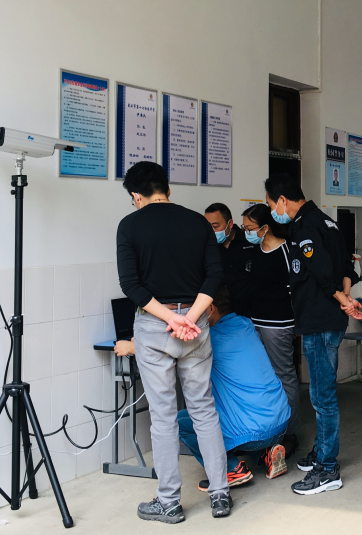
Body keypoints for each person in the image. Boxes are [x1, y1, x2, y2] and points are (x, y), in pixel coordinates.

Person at [116, 161, 232, 523]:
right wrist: (190, 317)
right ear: (167, 189)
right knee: (204, 409)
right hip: (195, 326)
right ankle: (220, 494)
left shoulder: (129, 225)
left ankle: (168, 502)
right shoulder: (198, 222)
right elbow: (215, 274)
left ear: (136, 195)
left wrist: (170, 319)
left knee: (163, 417)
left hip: (155, 327)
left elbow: (131, 285)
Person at [264, 173, 362, 496]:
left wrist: (341, 300)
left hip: (320, 321)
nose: (273, 212)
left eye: (271, 205)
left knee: (322, 397)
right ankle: (321, 451)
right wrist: (345, 297)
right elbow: (347, 267)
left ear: (283, 200)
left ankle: (328, 468)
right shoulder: (327, 222)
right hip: (328, 318)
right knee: (323, 394)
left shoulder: (305, 227)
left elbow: (322, 271)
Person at [176, 286, 291, 489]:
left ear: (209, 308)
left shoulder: (209, 338)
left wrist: (134, 346)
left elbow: (173, 350)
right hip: (281, 422)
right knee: (238, 409)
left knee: (182, 421)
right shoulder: (246, 325)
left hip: (254, 431)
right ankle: (266, 454)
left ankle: (230, 469)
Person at [239, 203, 300, 456]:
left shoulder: (286, 250)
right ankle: (266, 429)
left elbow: (295, 289)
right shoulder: (254, 251)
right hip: (255, 321)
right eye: (244, 228)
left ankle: (290, 431)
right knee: (261, 376)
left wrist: (297, 323)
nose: (247, 232)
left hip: (279, 323)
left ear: (265, 227)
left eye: (250, 228)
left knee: (283, 374)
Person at [204, 203, 257, 316]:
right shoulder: (208, 247)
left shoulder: (250, 240)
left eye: (215, 226)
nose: (212, 231)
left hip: (252, 310)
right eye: (208, 227)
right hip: (221, 314)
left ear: (230, 224)